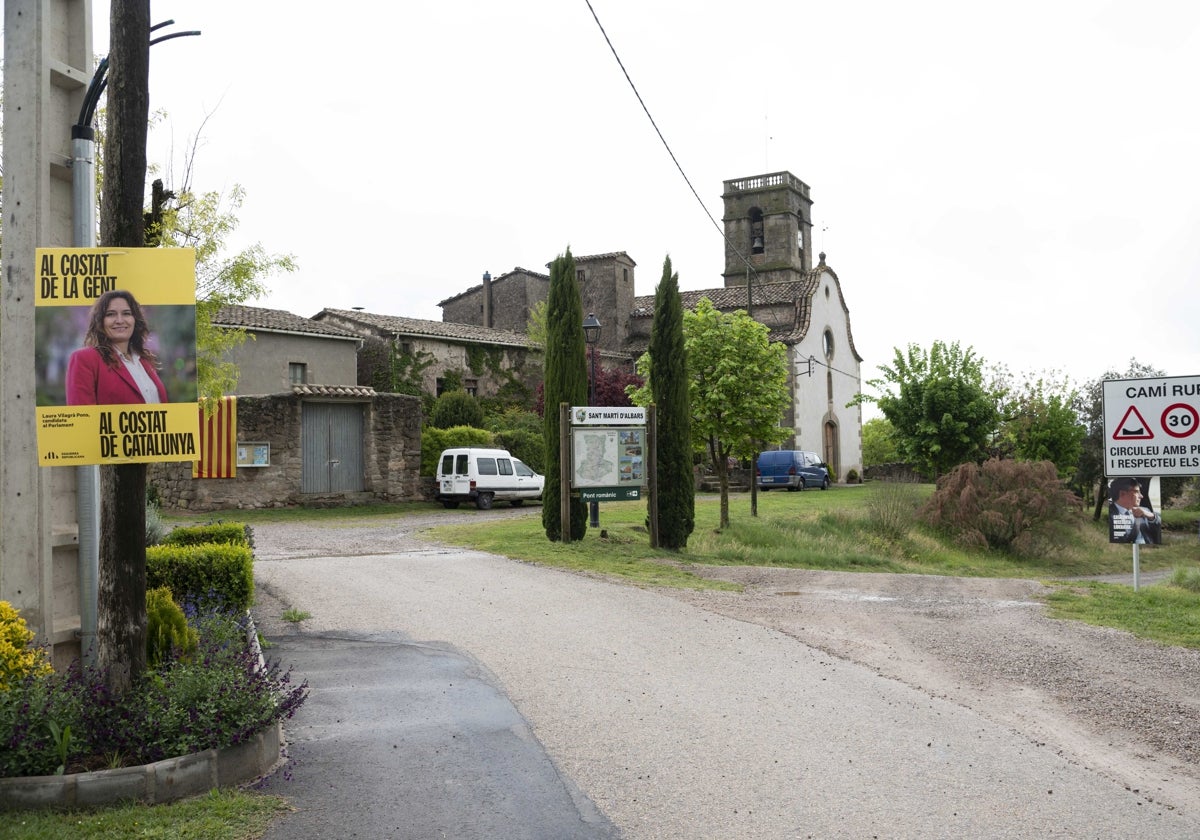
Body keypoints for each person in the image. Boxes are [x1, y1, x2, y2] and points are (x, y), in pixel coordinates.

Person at [66, 290, 168, 405]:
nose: (119, 320)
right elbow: (81, 417)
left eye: (126, 313)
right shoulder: (85, 359)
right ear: (100, 321)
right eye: (111, 314)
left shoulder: (144, 361)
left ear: (135, 320)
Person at [1107, 477, 1161, 545]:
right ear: (1122, 493)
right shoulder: (1110, 515)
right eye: (1137, 492)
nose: (1141, 496)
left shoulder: (1145, 510)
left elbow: (1160, 528)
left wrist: (1151, 516)